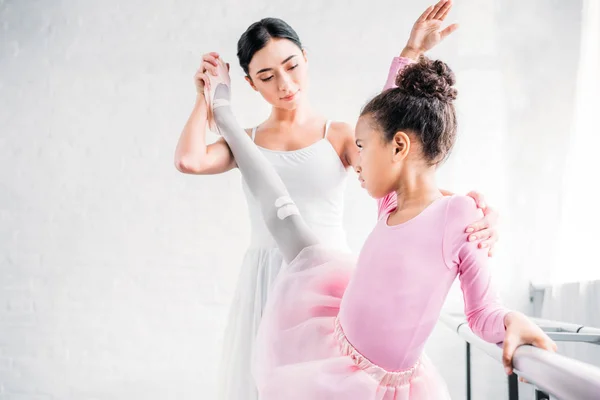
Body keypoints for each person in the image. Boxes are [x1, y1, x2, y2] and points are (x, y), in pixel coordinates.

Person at [201, 42, 557, 399]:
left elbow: (482, 312)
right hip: (332, 351)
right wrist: (409, 53)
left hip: (383, 386)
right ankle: (224, 114)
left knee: (283, 215)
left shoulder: (460, 216)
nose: (357, 159)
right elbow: (390, 118)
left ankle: (224, 115)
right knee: (281, 211)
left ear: (398, 148)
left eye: (362, 146)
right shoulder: (390, 203)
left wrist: (513, 321)